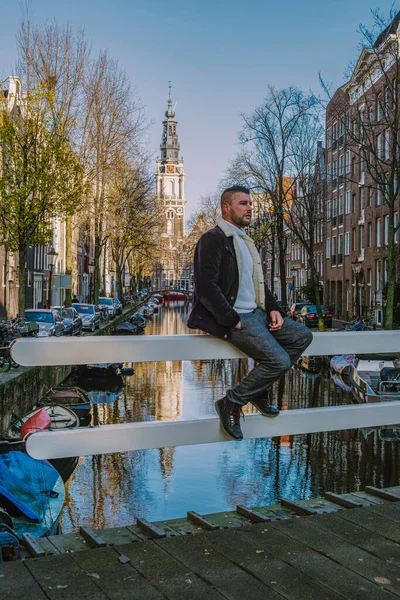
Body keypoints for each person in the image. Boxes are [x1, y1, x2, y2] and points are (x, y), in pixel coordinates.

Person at [188, 185, 313, 441]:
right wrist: (230, 319)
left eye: (250, 203)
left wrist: (275, 309)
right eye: (243, 203)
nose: (250, 208)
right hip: (238, 318)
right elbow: (205, 286)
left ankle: (258, 391)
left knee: (302, 336)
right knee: (277, 361)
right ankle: (231, 402)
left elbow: (257, 284)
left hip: (257, 313)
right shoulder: (213, 239)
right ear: (226, 207)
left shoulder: (245, 241)